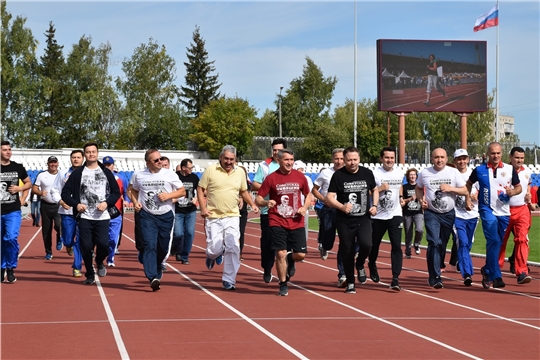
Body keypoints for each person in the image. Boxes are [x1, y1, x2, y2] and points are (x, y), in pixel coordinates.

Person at [197, 145, 259, 290]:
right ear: (221, 157)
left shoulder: (240, 173)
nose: (228, 162)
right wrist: (203, 207)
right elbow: (200, 189)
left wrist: (252, 204)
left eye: (231, 159)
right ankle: (212, 255)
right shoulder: (211, 170)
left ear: (235, 159)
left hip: (232, 215)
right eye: (226, 158)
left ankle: (229, 279)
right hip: (213, 216)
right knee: (214, 249)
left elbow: (243, 191)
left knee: (233, 247)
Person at [61, 142, 121, 285]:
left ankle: (99, 261)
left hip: (103, 216)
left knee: (103, 244)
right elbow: (65, 193)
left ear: (97, 153)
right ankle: (89, 273)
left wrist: (106, 203)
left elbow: (116, 193)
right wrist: (77, 204)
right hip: (84, 216)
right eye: (88, 152)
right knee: (85, 246)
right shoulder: (77, 174)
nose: (91, 154)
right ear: (85, 154)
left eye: (93, 152)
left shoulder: (106, 172)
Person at [255, 149, 311, 296]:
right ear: (279, 161)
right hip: (276, 220)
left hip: (296, 220)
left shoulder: (300, 177)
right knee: (280, 253)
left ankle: (290, 259)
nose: (290, 162)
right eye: (286, 160)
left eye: (291, 159)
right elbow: (258, 199)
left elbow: (308, 195)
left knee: (301, 255)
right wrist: (267, 202)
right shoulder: (271, 178)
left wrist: (304, 207)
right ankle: (283, 284)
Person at [467, 142, 522, 289]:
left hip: (504, 212)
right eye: (492, 153)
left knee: (498, 242)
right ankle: (496, 276)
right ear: (487, 154)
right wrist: (468, 198)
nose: (495, 156)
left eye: (498, 153)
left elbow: (519, 187)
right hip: (487, 210)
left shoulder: (510, 169)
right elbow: (469, 183)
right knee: (493, 240)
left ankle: (487, 269)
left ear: (501, 154)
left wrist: (513, 192)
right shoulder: (479, 170)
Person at [130, 149, 185, 291]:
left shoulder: (170, 174)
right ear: (148, 162)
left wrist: (169, 196)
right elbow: (132, 190)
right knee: (149, 245)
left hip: (165, 215)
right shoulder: (139, 175)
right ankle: (152, 277)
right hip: (147, 215)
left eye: (160, 159)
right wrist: (136, 202)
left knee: (163, 247)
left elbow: (182, 191)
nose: (160, 162)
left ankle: (158, 263)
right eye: (156, 160)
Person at [325, 146, 378, 294]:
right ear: (345, 160)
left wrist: (374, 205)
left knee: (367, 244)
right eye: (349, 160)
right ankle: (350, 282)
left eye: (355, 159)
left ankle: (360, 264)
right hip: (344, 220)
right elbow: (329, 197)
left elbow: (374, 190)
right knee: (346, 251)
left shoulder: (367, 173)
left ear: (359, 159)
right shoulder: (338, 176)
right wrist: (341, 207)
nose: (352, 162)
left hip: (363, 218)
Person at [415, 148, 468, 289]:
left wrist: (451, 189)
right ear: (432, 159)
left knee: (442, 245)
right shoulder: (425, 173)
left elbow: (464, 191)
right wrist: (421, 201)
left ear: (446, 158)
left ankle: (437, 267)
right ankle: (435, 276)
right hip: (432, 213)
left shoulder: (453, 172)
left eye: (442, 157)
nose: (439, 160)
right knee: (434, 242)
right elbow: (418, 188)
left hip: (449, 214)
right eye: (437, 157)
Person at [367, 146, 405, 291]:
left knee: (396, 246)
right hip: (378, 216)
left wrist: (401, 197)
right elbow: (368, 193)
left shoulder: (399, 172)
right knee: (374, 245)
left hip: (395, 214)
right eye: (387, 157)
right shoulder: (374, 174)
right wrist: (381, 189)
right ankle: (372, 263)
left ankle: (395, 278)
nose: (389, 160)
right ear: (381, 158)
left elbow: (399, 186)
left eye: (392, 158)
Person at [251, 138, 287, 283]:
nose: (276, 152)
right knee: (268, 242)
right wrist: (271, 187)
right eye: (274, 150)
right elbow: (254, 185)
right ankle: (267, 267)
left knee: (287, 242)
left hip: (287, 211)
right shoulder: (265, 166)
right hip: (268, 210)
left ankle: (288, 266)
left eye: (279, 150)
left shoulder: (292, 165)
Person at [497, 147, 532, 284]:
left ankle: (522, 272)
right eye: (517, 158)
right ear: (510, 157)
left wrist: (528, 196)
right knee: (501, 241)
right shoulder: (503, 171)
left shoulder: (527, 172)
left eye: (522, 158)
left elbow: (527, 187)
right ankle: (495, 269)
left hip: (522, 210)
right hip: (505, 210)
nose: (520, 160)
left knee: (522, 240)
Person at [311, 148, 346, 286]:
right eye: (336, 158)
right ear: (332, 159)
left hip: (343, 211)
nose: (339, 161)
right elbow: (314, 189)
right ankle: (324, 246)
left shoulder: (349, 173)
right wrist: (322, 199)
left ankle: (342, 274)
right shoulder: (325, 173)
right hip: (328, 210)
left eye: (342, 158)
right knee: (328, 242)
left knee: (345, 243)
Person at [50, 150, 85, 277]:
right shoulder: (63, 173)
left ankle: (77, 267)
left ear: (83, 159)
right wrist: (60, 201)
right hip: (67, 211)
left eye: (78, 157)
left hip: (83, 212)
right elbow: (54, 190)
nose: (76, 159)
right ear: (70, 159)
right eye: (74, 157)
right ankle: (67, 244)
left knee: (80, 240)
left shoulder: (88, 173)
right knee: (68, 239)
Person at [1, 140, 31, 283]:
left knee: (11, 238)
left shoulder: (17, 167)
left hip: (12, 211)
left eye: (9, 149)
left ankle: (11, 267)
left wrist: (20, 189)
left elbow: (28, 183)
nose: (8, 152)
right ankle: (1, 268)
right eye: (5, 149)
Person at [452, 149, 479, 286]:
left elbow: (483, 191)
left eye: (464, 159)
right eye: (459, 159)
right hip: (457, 215)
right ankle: (467, 274)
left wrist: (476, 197)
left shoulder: (474, 173)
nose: (462, 161)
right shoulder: (452, 175)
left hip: (473, 215)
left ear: (468, 159)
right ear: (455, 161)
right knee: (462, 242)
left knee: (468, 244)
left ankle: (461, 260)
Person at [32, 156, 63, 260]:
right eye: (51, 163)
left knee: (59, 225)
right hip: (45, 205)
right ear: (48, 164)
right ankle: (48, 252)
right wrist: (40, 192)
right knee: (46, 230)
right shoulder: (42, 175)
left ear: (58, 163)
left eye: (55, 162)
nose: (53, 164)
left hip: (58, 205)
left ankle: (59, 237)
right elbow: (34, 188)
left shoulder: (62, 175)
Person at [172, 158, 199, 264]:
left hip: (190, 210)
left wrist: (196, 198)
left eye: (192, 167)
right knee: (178, 234)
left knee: (189, 233)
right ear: (183, 168)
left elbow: (200, 190)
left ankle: (184, 256)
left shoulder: (194, 177)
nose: (192, 169)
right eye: (190, 167)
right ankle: (174, 248)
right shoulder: (175, 177)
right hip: (178, 210)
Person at [102, 156, 124, 267]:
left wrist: (128, 200)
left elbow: (126, 191)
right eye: (105, 165)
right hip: (100, 212)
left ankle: (110, 258)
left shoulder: (120, 178)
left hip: (116, 213)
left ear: (113, 165)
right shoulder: (98, 177)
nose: (107, 167)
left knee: (113, 239)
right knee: (101, 239)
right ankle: (99, 257)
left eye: (109, 164)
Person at [401, 168, 424, 258]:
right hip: (407, 213)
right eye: (410, 175)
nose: (412, 176)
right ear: (408, 176)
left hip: (418, 212)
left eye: (414, 174)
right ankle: (408, 250)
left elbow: (424, 197)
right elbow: (402, 201)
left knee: (419, 229)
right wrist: (410, 199)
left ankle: (417, 244)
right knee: (408, 233)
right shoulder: (404, 187)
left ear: (416, 176)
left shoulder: (419, 187)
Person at [292, 160, 313, 241]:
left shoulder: (307, 179)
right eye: (298, 169)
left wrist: (305, 207)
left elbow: (309, 194)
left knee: (303, 230)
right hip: (290, 209)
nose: (300, 171)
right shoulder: (289, 177)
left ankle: (302, 247)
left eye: (301, 169)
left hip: (303, 208)